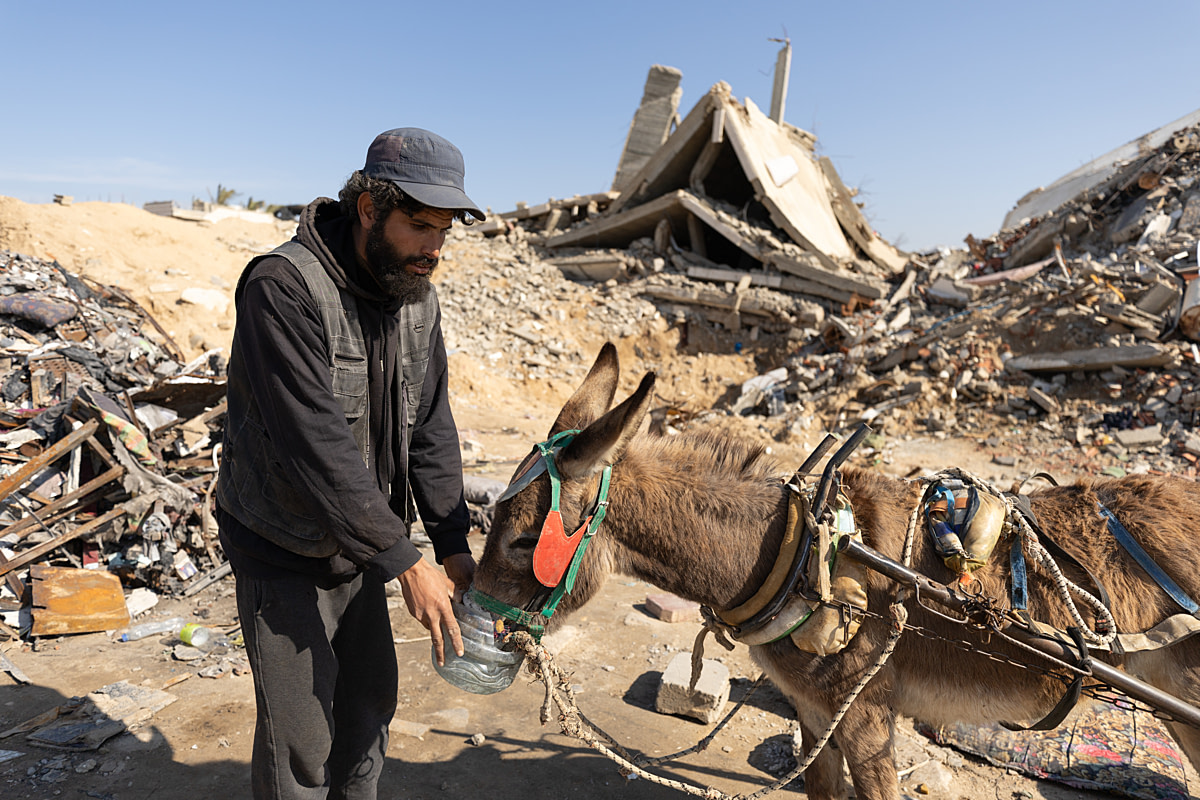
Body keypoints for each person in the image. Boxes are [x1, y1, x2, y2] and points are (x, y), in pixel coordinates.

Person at [216, 127, 484, 800]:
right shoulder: (282, 287)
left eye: (444, 231)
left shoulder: (416, 297)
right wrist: (404, 560)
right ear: (368, 209)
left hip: (363, 544)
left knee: (367, 714)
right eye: (419, 226)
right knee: (301, 742)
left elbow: (430, 426)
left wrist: (451, 544)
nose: (433, 248)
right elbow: (316, 444)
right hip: (284, 547)